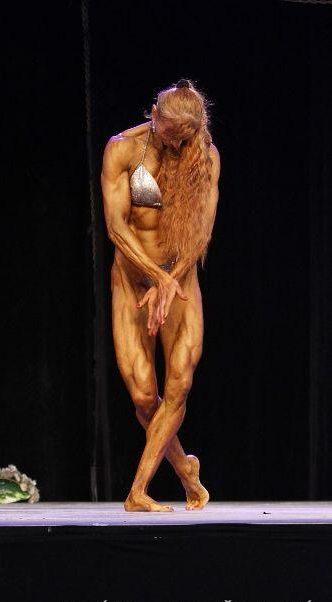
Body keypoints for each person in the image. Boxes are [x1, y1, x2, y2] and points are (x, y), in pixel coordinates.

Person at [101, 79, 220, 512]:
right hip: (133, 281)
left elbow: (201, 232)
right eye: (168, 134)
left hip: (179, 279)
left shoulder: (206, 157)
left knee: (180, 383)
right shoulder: (122, 150)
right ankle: (186, 471)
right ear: (154, 114)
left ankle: (138, 492)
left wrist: (173, 280)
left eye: (182, 138)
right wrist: (156, 278)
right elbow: (116, 228)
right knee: (143, 396)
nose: (173, 143)